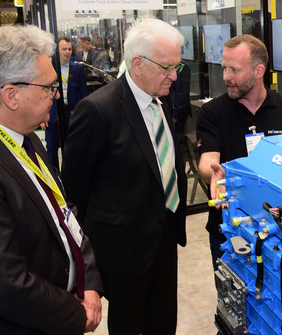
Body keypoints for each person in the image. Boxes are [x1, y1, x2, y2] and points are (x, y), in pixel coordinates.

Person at [0, 25, 103, 334]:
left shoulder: (25, 137)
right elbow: (6, 285)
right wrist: (76, 313)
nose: (55, 94)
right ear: (11, 95)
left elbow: (64, 212)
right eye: (48, 87)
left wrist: (88, 282)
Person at [61, 18, 187, 335]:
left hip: (164, 239)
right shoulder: (97, 111)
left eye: (177, 67)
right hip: (123, 253)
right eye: (167, 67)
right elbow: (74, 194)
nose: (174, 76)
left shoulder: (160, 98)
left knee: (162, 324)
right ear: (137, 64)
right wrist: (85, 266)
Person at [196, 34, 282, 271]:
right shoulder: (212, 112)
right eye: (224, 68)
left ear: (259, 71)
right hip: (229, 229)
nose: (226, 77)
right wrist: (215, 174)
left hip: (279, 232)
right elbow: (208, 160)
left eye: (234, 70)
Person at [41, 36, 88, 168]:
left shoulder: (77, 69)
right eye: (64, 49)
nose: (67, 52)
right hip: (53, 113)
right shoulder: (48, 68)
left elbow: (83, 94)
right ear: (57, 51)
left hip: (72, 114)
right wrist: (43, 115)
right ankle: (54, 176)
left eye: (69, 49)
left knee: (72, 147)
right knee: (52, 147)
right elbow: (42, 93)